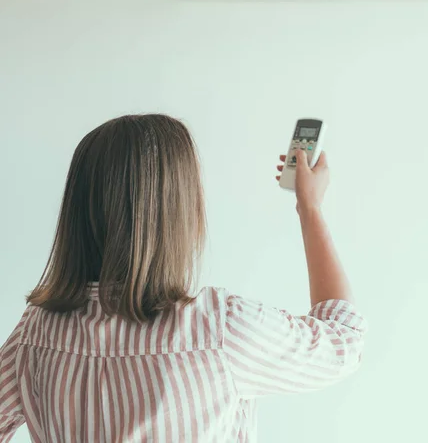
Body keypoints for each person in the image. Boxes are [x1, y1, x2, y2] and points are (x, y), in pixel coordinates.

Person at [0, 114, 366, 443]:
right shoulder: (220, 329)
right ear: (178, 212)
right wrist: (310, 208)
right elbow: (344, 340)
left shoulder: (35, 333)